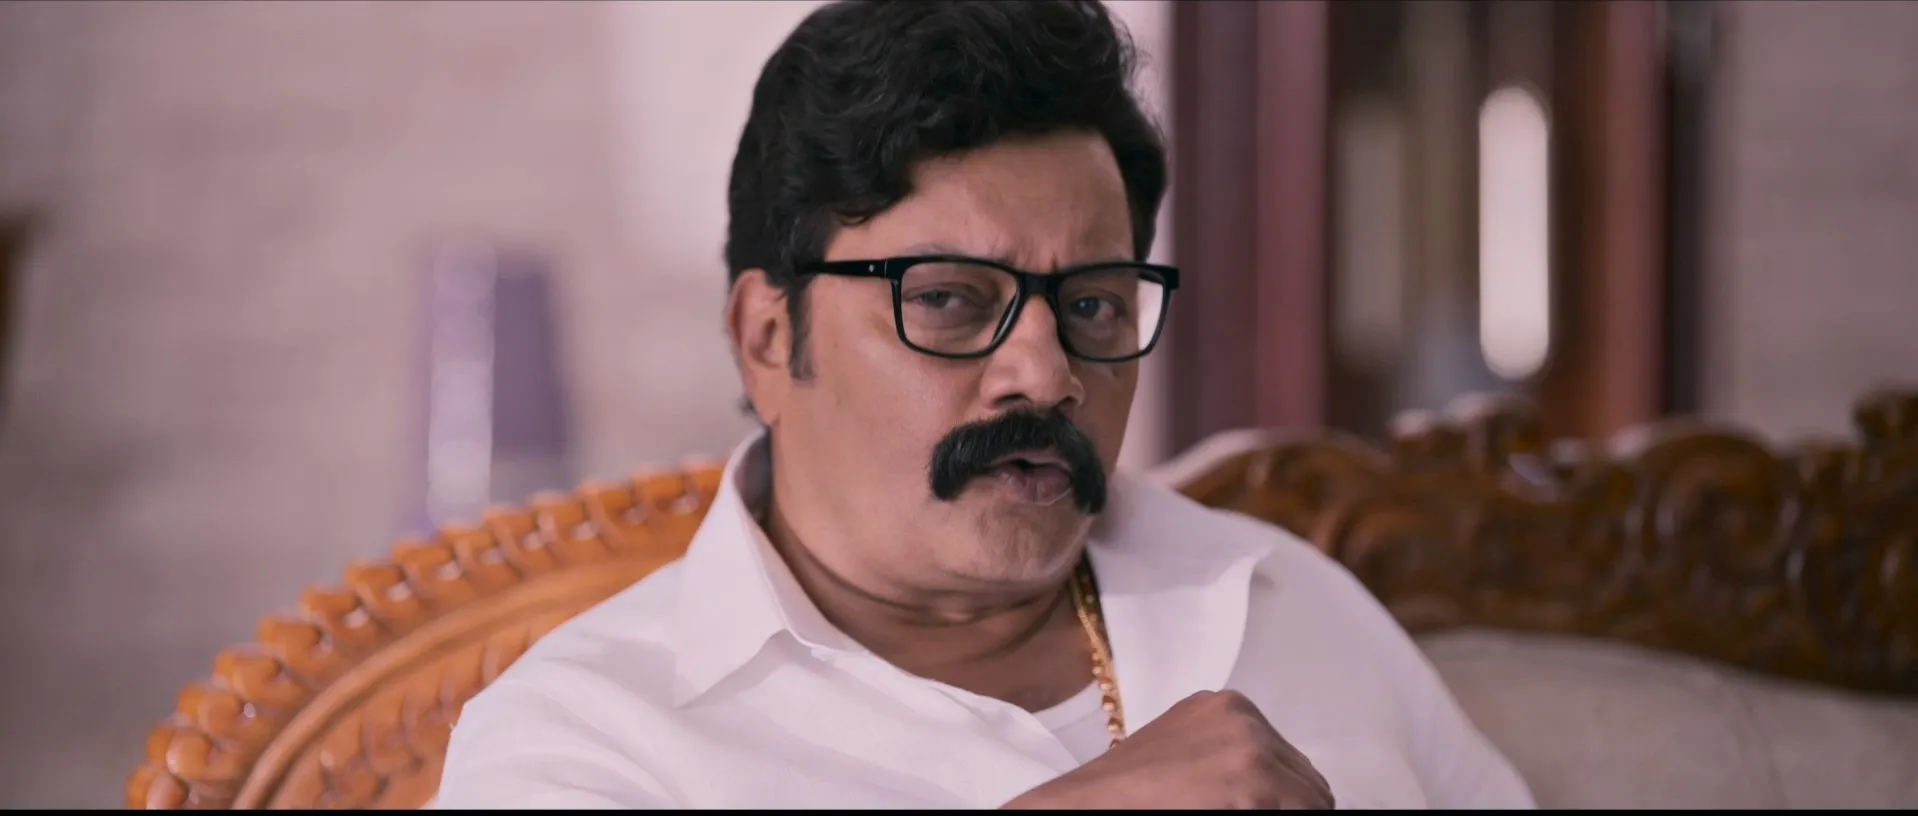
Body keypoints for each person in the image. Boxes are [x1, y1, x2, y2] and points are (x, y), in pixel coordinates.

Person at [434, 0, 1535, 809]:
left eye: (1093, 306)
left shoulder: (1286, 595)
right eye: (952, 302)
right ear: (769, 337)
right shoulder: (586, 737)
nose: (1046, 376)